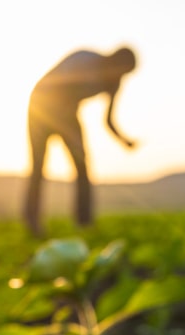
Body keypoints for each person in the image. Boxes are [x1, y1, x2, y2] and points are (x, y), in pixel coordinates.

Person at [23, 46, 137, 235]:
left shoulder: (114, 83)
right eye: (121, 69)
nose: (121, 75)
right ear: (114, 60)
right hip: (40, 106)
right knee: (38, 166)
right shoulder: (85, 59)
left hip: (68, 112)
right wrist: (67, 127)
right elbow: (59, 90)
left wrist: (124, 140)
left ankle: (84, 222)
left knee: (82, 166)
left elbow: (108, 120)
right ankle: (32, 221)